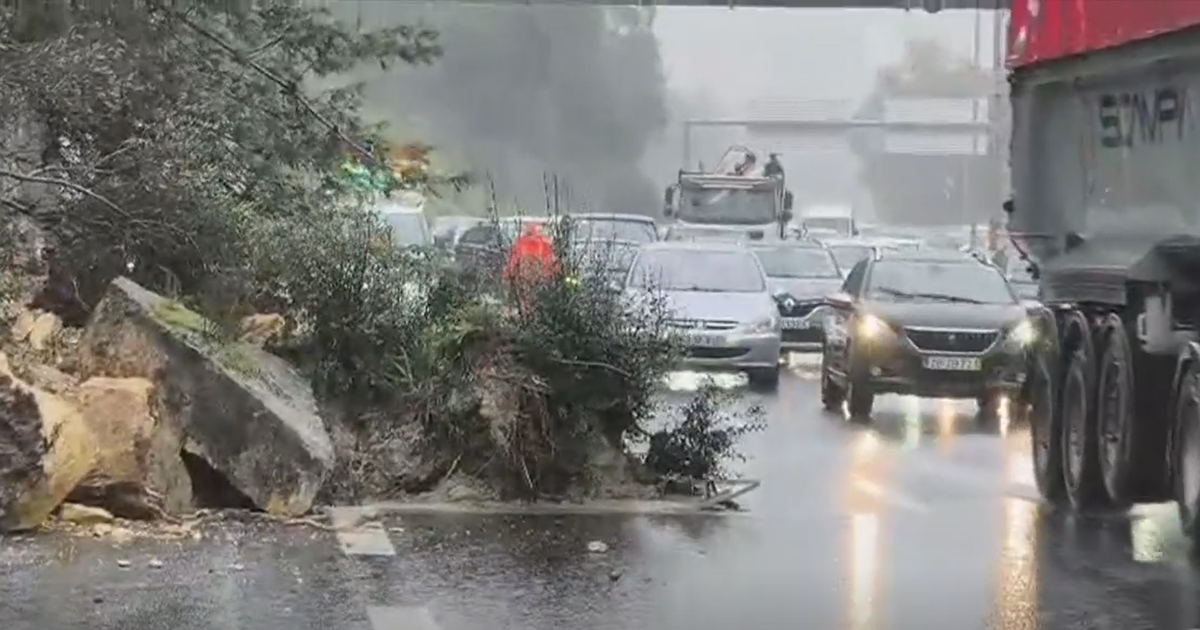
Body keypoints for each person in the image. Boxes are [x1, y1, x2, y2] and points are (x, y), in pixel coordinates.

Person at [503, 223, 559, 308]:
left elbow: (512, 265)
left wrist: (508, 275)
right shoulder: (546, 243)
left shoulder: (519, 243)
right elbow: (553, 265)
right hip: (541, 280)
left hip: (524, 280)